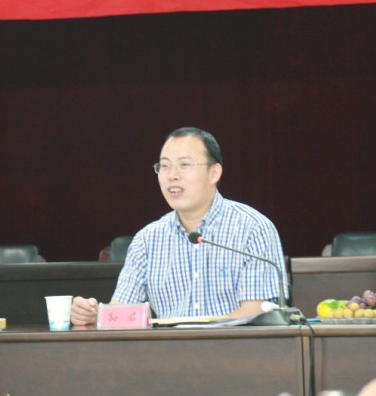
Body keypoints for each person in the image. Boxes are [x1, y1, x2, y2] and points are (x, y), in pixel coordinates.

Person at [71, 127, 288, 325]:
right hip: (167, 352)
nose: (172, 176)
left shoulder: (253, 229)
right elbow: (123, 313)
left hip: (237, 351)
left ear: (214, 173)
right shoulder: (147, 240)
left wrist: (201, 341)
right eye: (164, 166)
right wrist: (93, 316)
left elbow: (255, 312)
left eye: (185, 165)